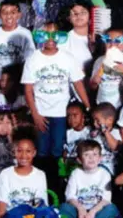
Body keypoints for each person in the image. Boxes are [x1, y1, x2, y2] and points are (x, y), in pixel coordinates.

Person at [21, 22, 90, 192]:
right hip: (41, 113)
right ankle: (41, 189)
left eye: (54, 35)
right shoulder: (34, 58)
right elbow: (28, 90)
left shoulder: (67, 57)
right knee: (42, 151)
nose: (50, 40)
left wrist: (88, 105)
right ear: (39, 37)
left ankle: (58, 189)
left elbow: (77, 82)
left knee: (58, 150)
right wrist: (35, 114)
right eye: (45, 35)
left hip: (61, 113)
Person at [0, 126, 48, 218]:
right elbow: (2, 202)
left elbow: (41, 204)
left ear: (34, 153)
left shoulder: (40, 175)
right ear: (14, 152)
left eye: (28, 151)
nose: (23, 156)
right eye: (19, 151)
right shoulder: (5, 174)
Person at [59, 140, 119, 218]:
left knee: (112, 209)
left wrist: (93, 212)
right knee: (63, 207)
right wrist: (80, 209)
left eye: (94, 154)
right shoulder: (75, 173)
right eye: (86, 155)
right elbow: (69, 196)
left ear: (100, 158)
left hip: (97, 210)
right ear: (79, 160)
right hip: (79, 209)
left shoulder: (105, 174)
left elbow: (106, 199)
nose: (91, 158)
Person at [0, 0, 35, 83]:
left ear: (19, 15)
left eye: (13, 13)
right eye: (5, 13)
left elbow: (30, 61)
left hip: (18, 83)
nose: (9, 16)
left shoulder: (25, 34)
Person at [90, 27, 123, 109]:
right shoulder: (99, 61)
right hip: (102, 105)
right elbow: (93, 86)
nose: (113, 45)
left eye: (118, 41)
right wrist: (98, 74)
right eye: (108, 41)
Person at [90, 103, 123, 176]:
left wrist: (106, 132)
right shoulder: (96, 133)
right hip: (95, 166)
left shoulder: (116, 132)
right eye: (93, 120)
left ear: (110, 120)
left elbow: (115, 147)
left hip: (110, 167)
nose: (94, 123)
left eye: (97, 120)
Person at [59, 101, 91, 179]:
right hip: (70, 164)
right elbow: (65, 151)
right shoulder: (67, 133)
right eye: (68, 116)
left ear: (83, 116)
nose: (71, 119)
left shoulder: (89, 131)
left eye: (75, 115)